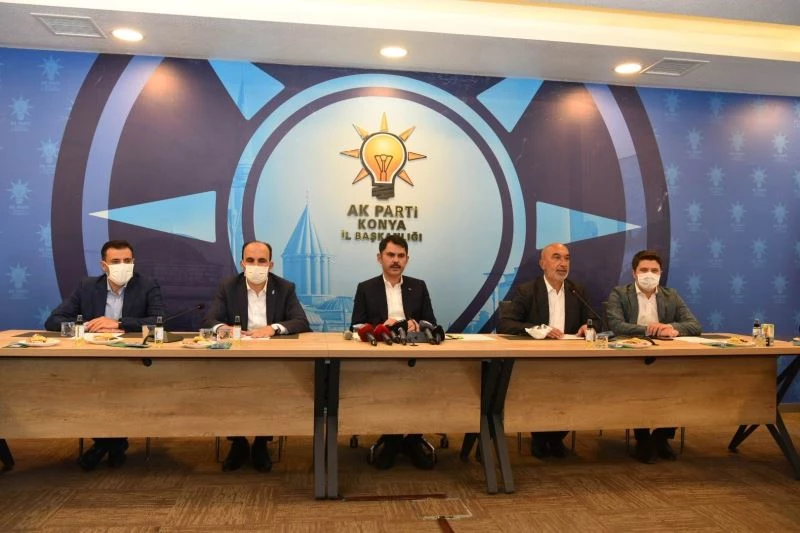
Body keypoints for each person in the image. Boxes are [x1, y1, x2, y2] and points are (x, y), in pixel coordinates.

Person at [45, 239, 165, 470]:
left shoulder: (147, 285)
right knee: (85, 394)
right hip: (93, 363)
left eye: (127, 261)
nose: (123, 265)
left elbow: (159, 321)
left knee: (122, 393)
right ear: (104, 266)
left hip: (132, 363)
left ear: (133, 262)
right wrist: (89, 325)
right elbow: (53, 321)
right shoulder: (87, 286)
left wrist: (119, 323)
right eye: (116, 261)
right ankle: (114, 443)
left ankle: (105, 445)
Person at [203, 240, 310, 472]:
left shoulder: (285, 287)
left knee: (271, 388)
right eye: (250, 260)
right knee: (229, 390)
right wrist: (223, 328)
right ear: (242, 263)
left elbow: (301, 321)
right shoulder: (228, 287)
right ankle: (238, 442)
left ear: (271, 264)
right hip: (236, 359)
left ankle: (262, 442)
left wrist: (273, 328)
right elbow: (210, 320)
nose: (256, 265)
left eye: (262, 261)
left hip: (272, 360)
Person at [606, 249, 702, 464]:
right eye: (644, 270)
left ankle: (659, 438)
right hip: (631, 359)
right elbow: (617, 325)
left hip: (666, 359)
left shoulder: (671, 295)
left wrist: (671, 328)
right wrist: (650, 329)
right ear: (634, 273)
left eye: (654, 270)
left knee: (680, 387)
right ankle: (642, 439)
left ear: (660, 273)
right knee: (638, 389)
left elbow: (694, 325)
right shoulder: (619, 294)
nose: (649, 274)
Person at [350, 234, 437, 470]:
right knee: (388, 388)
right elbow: (356, 325)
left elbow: (431, 321)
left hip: (415, 353)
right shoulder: (366, 288)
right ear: (380, 258)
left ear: (407, 259)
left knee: (423, 387)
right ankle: (392, 438)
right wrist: (381, 326)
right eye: (390, 255)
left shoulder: (418, 286)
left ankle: (413, 439)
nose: (396, 260)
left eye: (401, 256)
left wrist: (417, 324)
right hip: (380, 355)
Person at [498, 242, 590, 459]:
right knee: (541, 390)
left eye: (567, 258)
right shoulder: (527, 290)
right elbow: (506, 324)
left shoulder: (577, 290)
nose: (563, 263)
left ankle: (556, 437)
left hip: (570, 361)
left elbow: (595, 320)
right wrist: (540, 330)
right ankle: (540, 438)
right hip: (535, 362)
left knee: (576, 390)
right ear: (542, 263)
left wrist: (588, 327)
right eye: (556, 257)